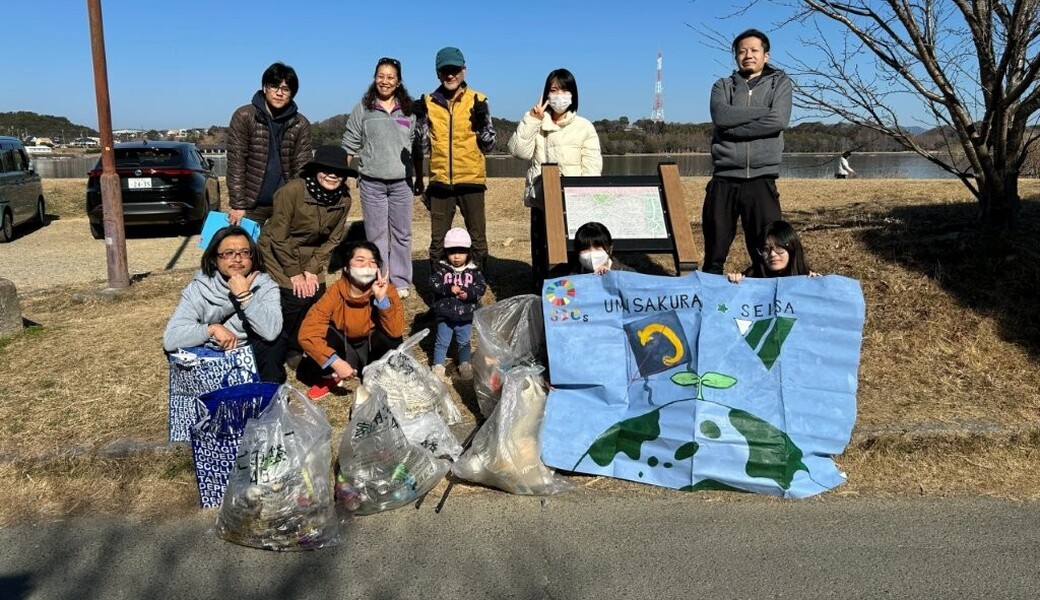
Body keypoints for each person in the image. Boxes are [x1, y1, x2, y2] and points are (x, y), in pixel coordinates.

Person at [701, 29, 793, 275]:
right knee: (714, 252)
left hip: (762, 179)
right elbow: (721, 116)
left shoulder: (781, 83)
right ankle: (709, 304)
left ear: (766, 55)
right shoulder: (722, 86)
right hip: (724, 179)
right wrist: (765, 111)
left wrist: (732, 130)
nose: (748, 55)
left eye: (754, 50)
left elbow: (779, 120)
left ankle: (765, 304)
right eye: (742, 51)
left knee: (767, 251)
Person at [257, 145, 352, 379]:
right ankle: (289, 348)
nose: (332, 175)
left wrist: (311, 270)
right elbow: (278, 237)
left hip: (311, 255)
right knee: (294, 298)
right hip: (278, 251)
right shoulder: (292, 192)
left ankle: (312, 343)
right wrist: (294, 273)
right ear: (315, 170)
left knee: (319, 298)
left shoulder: (344, 199)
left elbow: (333, 238)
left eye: (338, 171)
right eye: (326, 170)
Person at [507, 68, 602, 287]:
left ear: (573, 94)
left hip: (574, 204)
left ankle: (576, 296)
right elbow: (518, 151)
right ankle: (543, 297)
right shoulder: (537, 124)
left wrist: (582, 196)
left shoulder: (584, 127)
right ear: (546, 95)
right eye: (553, 90)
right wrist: (532, 119)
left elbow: (592, 167)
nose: (559, 95)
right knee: (542, 256)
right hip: (542, 202)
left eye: (564, 89)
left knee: (574, 254)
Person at [341, 57, 421, 299]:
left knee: (402, 233)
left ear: (398, 82)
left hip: (402, 182)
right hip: (371, 182)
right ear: (375, 78)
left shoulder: (410, 110)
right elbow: (350, 144)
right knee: (376, 234)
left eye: (390, 77)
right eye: (381, 76)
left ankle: (401, 280)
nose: (385, 81)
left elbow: (417, 146)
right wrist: (344, 177)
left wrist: (420, 176)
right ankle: (380, 277)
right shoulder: (363, 109)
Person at [412, 47, 496, 271]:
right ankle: (439, 289)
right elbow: (421, 146)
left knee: (477, 239)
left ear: (464, 71)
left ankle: (475, 286)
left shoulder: (478, 99)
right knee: (438, 242)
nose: (451, 75)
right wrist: (419, 120)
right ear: (438, 73)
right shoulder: (428, 102)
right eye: (445, 70)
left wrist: (481, 123)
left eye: (455, 70)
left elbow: (489, 145)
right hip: (440, 184)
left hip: (472, 182)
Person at [163, 225, 283, 382]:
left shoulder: (264, 285)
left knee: (277, 341)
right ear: (214, 259)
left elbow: (271, 331)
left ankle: (267, 396)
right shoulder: (199, 288)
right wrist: (211, 329)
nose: (238, 259)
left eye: (245, 252)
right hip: (208, 355)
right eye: (229, 253)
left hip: (247, 354)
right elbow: (171, 340)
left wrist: (245, 297)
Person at [297, 241, 404, 383]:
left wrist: (381, 299)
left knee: (391, 340)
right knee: (317, 349)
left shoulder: (387, 290)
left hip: (372, 346)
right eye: (360, 260)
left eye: (373, 262)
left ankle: (378, 375)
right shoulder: (335, 292)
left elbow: (396, 332)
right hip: (344, 347)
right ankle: (335, 374)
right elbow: (307, 332)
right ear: (347, 267)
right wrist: (335, 361)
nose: (367, 266)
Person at [226, 62, 313, 227]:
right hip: (252, 203)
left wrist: (301, 203)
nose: (279, 93)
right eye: (274, 87)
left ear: (292, 93)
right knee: (247, 250)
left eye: (286, 89)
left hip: (286, 202)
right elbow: (236, 162)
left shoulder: (301, 123)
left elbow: (303, 166)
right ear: (265, 88)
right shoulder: (244, 116)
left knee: (284, 251)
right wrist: (238, 204)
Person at [429, 227, 487, 382]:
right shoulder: (442, 269)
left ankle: (465, 363)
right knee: (442, 341)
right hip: (445, 314)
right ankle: (438, 365)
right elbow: (433, 284)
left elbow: (481, 287)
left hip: (466, 314)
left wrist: (469, 294)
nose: (456, 257)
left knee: (464, 341)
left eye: (460, 252)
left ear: (468, 252)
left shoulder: (473, 271)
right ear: (446, 252)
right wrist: (448, 288)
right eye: (451, 252)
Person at [727, 220, 817, 282]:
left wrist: (818, 286)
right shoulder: (750, 278)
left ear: (792, 248)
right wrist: (734, 282)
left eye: (779, 247)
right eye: (766, 249)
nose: (772, 254)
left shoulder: (808, 277)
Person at [569, 221, 633, 275]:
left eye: (597, 248)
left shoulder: (628, 274)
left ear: (610, 249)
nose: (592, 254)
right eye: (585, 249)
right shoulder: (572, 278)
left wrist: (611, 277)